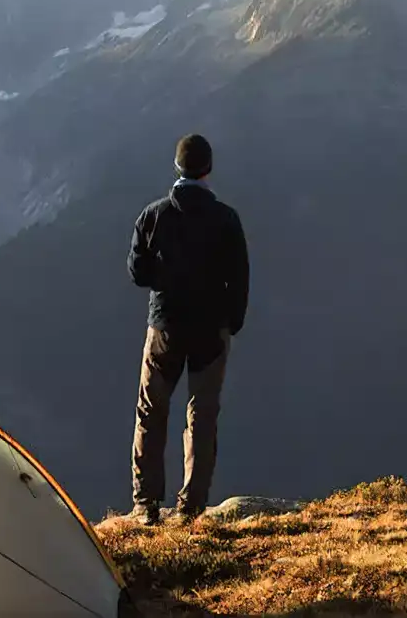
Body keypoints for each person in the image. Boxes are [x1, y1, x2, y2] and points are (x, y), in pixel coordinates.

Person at [125, 133, 250, 526]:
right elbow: (240, 277)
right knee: (202, 415)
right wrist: (232, 321)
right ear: (208, 170)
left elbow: (136, 271)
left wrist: (166, 276)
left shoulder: (154, 215)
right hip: (211, 331)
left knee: (152, 411)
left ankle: (146, 505)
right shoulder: (227, 219)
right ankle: (192, 506)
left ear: (176, 169)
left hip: (165, 327)